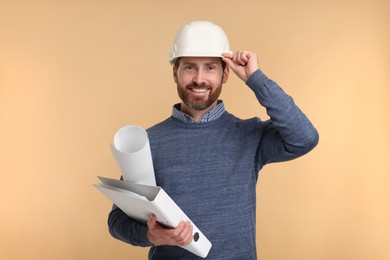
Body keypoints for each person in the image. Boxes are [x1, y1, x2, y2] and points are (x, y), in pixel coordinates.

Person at [108, 21, 319, 259]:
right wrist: (150, 236)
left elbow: (305, 137)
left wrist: (255, 79)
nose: (199, 79)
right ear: (174, 72)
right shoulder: (147, 142)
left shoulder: (250, 135)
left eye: (210, 68)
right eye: (189, 67)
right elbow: (117, 220)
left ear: (226, 73)